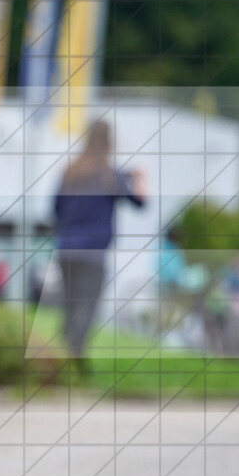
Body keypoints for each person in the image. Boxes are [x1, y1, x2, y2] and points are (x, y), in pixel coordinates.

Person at [53, 120, 146, 372]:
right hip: (93, 253)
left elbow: (55, 208)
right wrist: (140, 180)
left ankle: (63, 358)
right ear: (109, 142)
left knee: (69, 305)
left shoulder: (69, 172)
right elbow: (140, 203)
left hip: (66, 249)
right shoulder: (109, 176)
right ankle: (75, 357)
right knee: (86, 306)